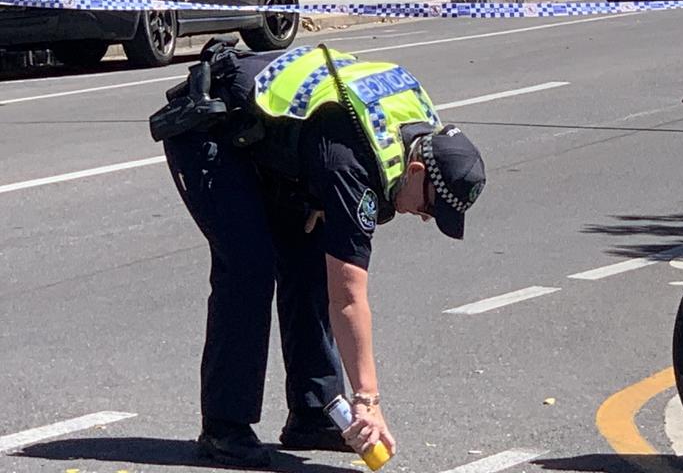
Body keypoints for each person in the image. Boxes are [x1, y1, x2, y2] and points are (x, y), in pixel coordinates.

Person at [151, 40, 486, 468]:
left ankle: (314, 411)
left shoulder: (418, 132)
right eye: (427, 207)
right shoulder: (354, 165)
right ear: (417, 170)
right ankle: (224, 426)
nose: (422, 217)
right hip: (209, 131)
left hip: (271, 141)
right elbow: (348, 297)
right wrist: (368, 400)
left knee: (310, 254)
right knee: (249, 268)